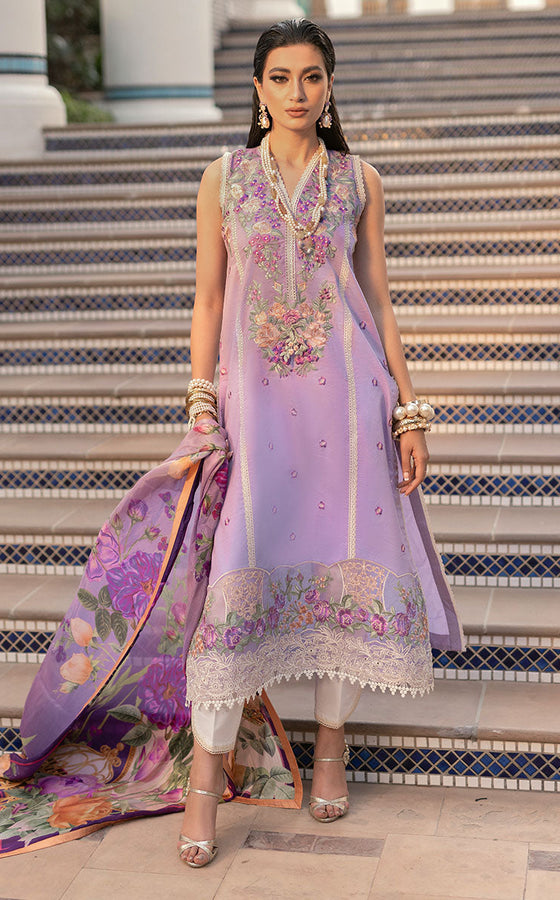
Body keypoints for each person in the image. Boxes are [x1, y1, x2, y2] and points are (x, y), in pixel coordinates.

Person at [178, 18, 463, 868]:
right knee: (237, 581)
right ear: (257, 88)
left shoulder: (360, 180)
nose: (297, 92)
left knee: (348, 565)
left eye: (311, 76)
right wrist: (201, 405)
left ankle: (331, 746)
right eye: (280, 77)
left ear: (330, 85)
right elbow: (208, 299)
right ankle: (204, 782)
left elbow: (377, 298)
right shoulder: (224, 178)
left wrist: (408, 412)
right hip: (257, 412)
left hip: (348, 406)